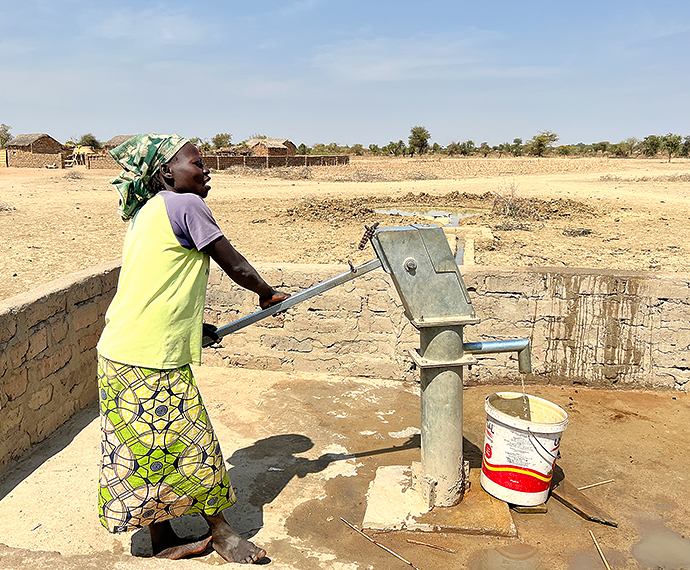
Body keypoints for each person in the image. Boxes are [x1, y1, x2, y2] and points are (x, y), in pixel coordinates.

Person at [96, 133, 288, 563]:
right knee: (191, 443)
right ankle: (221, 533)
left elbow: (153, 282)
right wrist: (266, 293)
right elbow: (233, 263)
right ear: (167, 172)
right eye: (197, 163)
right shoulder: (186, 205)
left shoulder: (146, 212)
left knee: (142, 447)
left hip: (117, 347)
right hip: (149, 356)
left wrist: (190, 325)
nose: (206, 171)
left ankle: (160, 537)